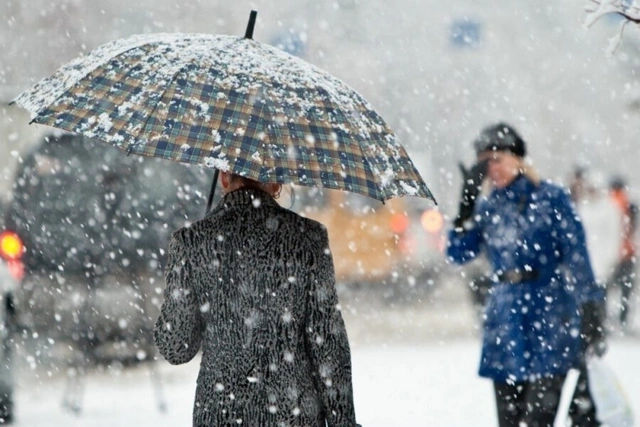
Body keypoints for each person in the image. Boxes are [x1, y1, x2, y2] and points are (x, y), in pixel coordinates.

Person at [154, 172, 360, 427]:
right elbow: (327, 342)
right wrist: (344, 423)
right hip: (294, 415)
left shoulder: (190, 242)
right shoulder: (309, 238)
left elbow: (176, 348)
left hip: (220, 416)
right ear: (276, 184)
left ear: (224, 178)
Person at [447, 122, 606, 427]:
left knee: (538, 419)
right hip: (505, 320)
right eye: (484, 161)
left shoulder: (550, 197)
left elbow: (577, 254)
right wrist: (465, 207)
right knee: (509, 421)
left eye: (497, 158)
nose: (491, 167)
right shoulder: (487, 206)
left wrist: (590, 305)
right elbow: (457, 253)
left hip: (549, 316)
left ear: (517, 158)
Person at [608, 176, 638, 331]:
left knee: (606, 289)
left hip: (611, 256)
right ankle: (623, 320)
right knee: (625, 291)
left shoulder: (609, 203)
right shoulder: (629, 204)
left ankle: (603, 320)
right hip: (627, 254)